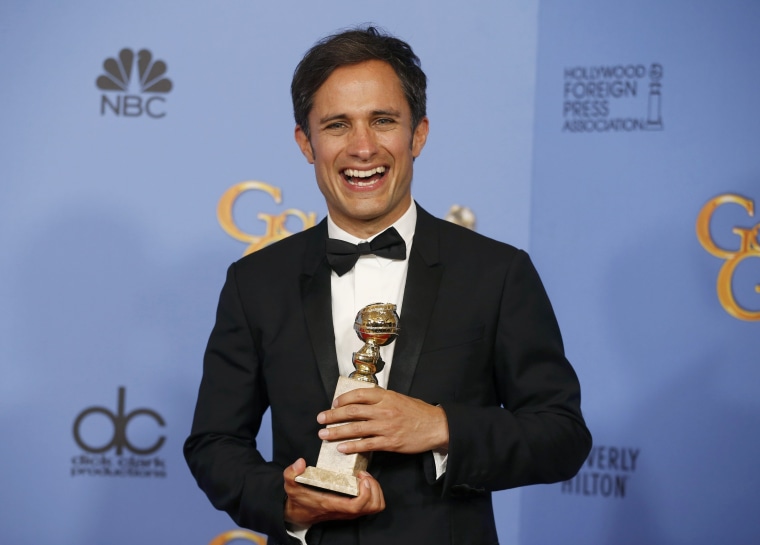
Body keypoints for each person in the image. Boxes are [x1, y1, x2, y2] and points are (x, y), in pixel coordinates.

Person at [184, 26, 591, 545]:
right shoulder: (256, 282)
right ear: (305, 143)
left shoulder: (495, 272)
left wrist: (441, 427)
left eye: (382, 120)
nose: (362, 147)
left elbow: (562, 435)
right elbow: (214, 443)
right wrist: (285, 500)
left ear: (418, 134)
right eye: (337, 125)